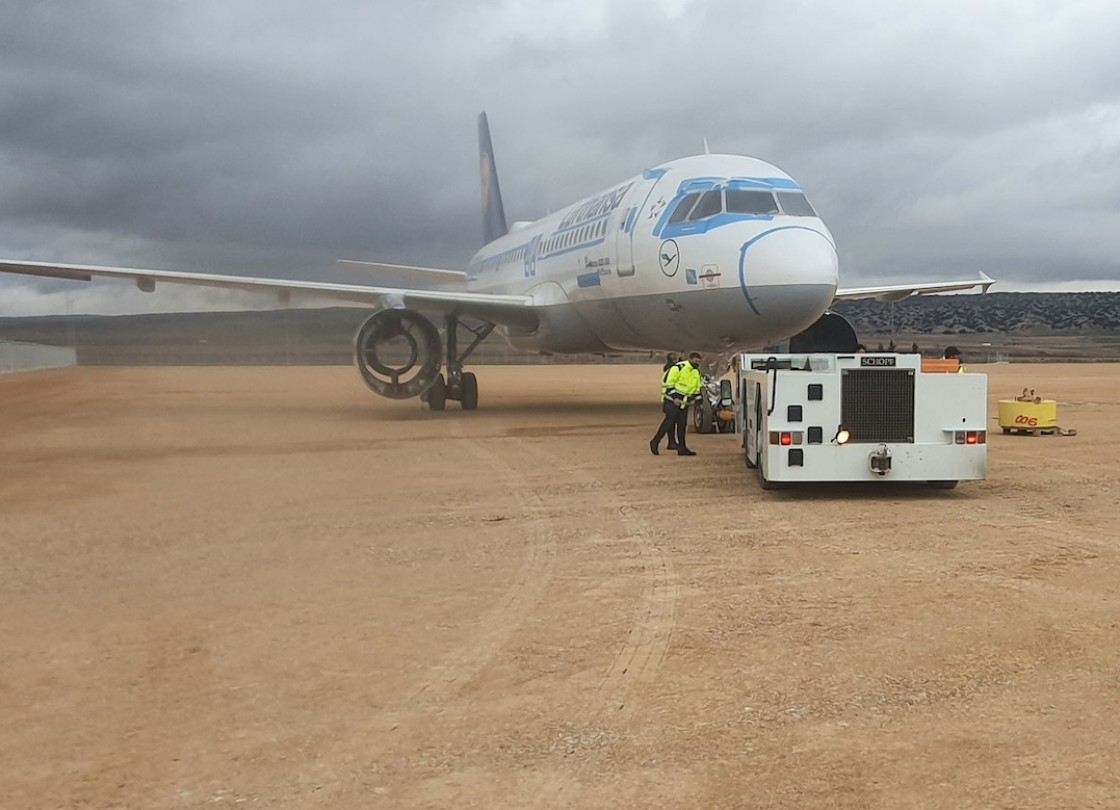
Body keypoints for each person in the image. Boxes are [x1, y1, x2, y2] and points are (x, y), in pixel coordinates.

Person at [649, 351, 703, 456]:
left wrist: (698, 399)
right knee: (668, 423)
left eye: (699, 362)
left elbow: (697, 387)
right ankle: (655, 441)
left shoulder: (696, 372)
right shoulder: (678, 368)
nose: (697, 364)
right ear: (690, 359)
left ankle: (682, 448)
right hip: (671, 401)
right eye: (696, 361)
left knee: (682, 425)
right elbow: (668, 383)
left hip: (684, 403)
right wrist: (675, 398)